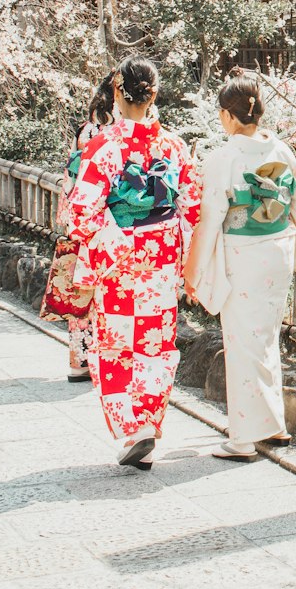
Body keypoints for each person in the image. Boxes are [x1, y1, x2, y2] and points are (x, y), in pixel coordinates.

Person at [66, 57, 200, 469]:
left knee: (116, 347)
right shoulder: (173, 146)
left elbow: (81, 213)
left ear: (116, 95)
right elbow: (192, 207)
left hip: (118, 262)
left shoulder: (104, 146)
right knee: (156, 345)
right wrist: (185, 262)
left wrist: (103, 255)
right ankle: (149, 421)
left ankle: (131, 429)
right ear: (154, 94)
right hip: (160, 259)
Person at [183, 70, 296, 461]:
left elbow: (212, 216)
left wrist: (194, 269)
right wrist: (287, 231)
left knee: (242, 343)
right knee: (265, 338)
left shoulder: (225, 157)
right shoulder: (280, 150)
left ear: (227, 116)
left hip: (243, 253)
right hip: (277, 250)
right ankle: (274, 425)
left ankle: (242, 439)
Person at [40, 72, 117, 380]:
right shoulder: (114, 133)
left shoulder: (85, 129)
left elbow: (71, 177)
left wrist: (69, 217)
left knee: (81, 290)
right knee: (105, 291)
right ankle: (101, 359)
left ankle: (78, 360)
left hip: (79, 215)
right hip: (108, 219)